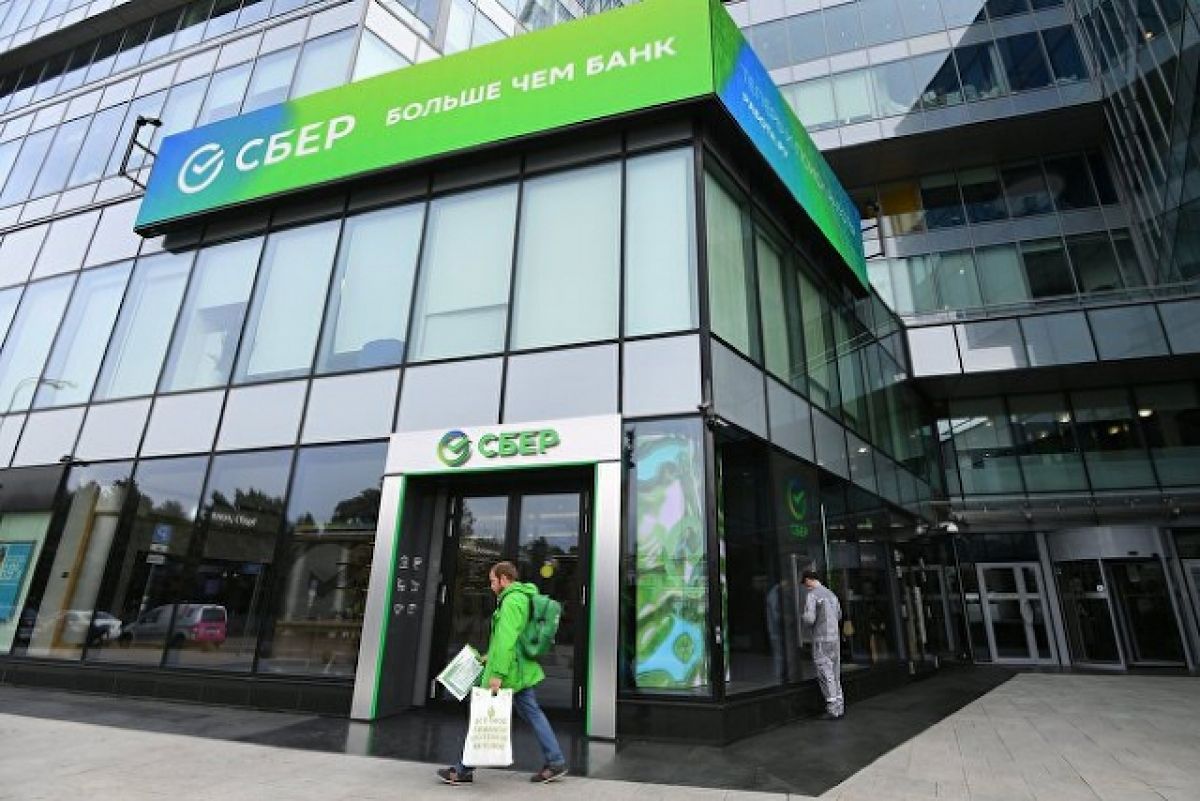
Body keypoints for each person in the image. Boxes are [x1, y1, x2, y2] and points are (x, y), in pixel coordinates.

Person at [438, 561, 568, 785]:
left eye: (493, 581)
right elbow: (509, 639)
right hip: (517, 668)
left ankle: (463, 769)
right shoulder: (519, 598)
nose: (491, 586)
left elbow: (507, 639)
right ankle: (555, 761)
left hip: (510, 671)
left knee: (483, 715)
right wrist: (490, 656)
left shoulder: (511, 601)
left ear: (504, 579)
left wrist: (497, 673)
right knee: (531, 713)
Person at [801, 569, 844, 720]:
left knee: (825, 673)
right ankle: (839, 706)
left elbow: (809, 619)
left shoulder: (812, 595)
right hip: (835, 639)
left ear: (808, 580)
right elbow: (839, 615)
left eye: (805, 583)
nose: (806, 586)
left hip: (821, 639)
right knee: (835, 672)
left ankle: (832, 709)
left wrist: (802, 617)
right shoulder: (831, 594)